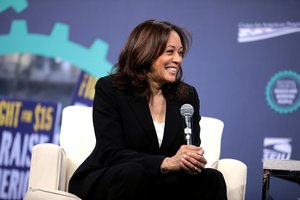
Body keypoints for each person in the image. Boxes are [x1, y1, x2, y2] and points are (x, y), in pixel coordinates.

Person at [68, 19, 227, 200]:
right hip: (113, 176)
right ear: (146, 52)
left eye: (180, 53)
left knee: (213, 179)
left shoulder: (186, 96)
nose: (178, 59)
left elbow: (188, 149)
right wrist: (165, 163)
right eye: (170, 52)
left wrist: (191, 160)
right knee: (133, 173)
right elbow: (111, 153)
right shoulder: (110, 89)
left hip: (161, 182)